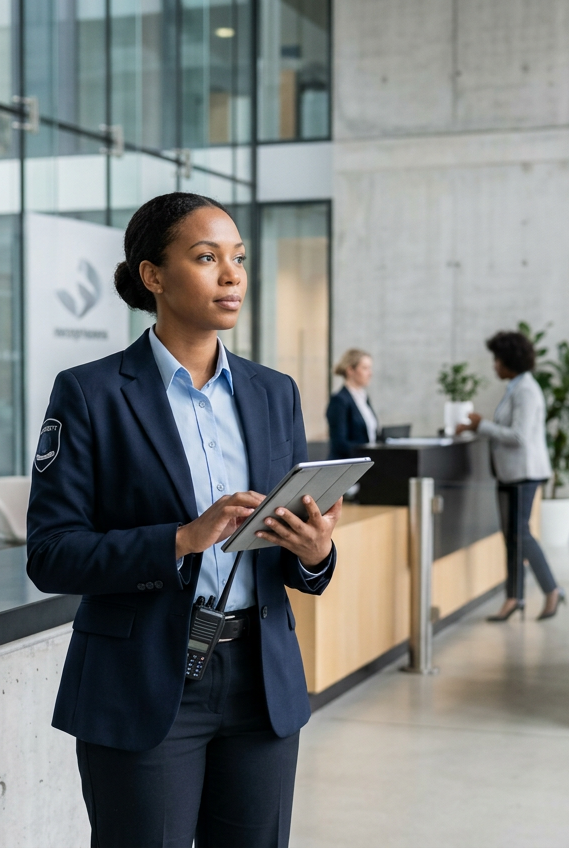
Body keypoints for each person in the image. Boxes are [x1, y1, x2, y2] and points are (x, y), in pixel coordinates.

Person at [25, 192, 342, 848]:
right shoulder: (90, 393)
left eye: (238, 258)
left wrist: (313, 553)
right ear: (154, 276)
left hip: (261, 683)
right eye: (206, 257)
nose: (232, 275)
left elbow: (291, 554)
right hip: (143, 684)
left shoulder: (273, 391)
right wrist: (181, 539)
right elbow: (51, 553)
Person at [457, 331, 563, 621]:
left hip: (524, 473)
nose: (494, 366)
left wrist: (481, 426)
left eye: (497, 360)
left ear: (509, 361)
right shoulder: (516, 387)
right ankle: (513, 597)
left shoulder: (526, 390)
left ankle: (552, 589)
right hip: (509, 473)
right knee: (512, 537)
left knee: (521, 534)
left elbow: (518, 436)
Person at [326, 348, 377, 459]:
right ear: (350, 370)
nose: (370, 373)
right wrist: (369, 451)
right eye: (365, 368)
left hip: (365, 463)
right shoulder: (339, 400)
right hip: (347, 466)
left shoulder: (364, 398)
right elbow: (339, 443)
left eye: (370, 368)